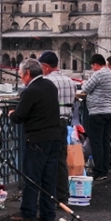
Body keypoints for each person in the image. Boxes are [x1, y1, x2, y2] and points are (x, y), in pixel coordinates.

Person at [8, 59, 62, 221]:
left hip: (37, 139)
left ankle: (28, 213)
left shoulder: (30, 91)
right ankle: (48, 214)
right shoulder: (50, 86)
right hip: (55, 138)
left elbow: (20, 116)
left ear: (28, 73)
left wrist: (11, 113)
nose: (21, 78)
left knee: (32, 178)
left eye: (21, 75)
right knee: (48, 179)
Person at [37, 51, 75, 203]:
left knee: (44, 161)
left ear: (46, 67)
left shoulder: (47, 82)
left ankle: (46, 196)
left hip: (49, 125)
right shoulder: (70, 81)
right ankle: (62, 196)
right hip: (64, 124)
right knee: (61, 160)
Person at [79, 54, 111, 181]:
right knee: (105, 141)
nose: (93, 69)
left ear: (96, 64)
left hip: (97, 112)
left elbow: (85, 88)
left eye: (92, 67)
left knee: (96, 143)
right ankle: (105, 170)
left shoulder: (98, 74)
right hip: (109, 111)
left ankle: (99, 172)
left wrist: (85, 82)